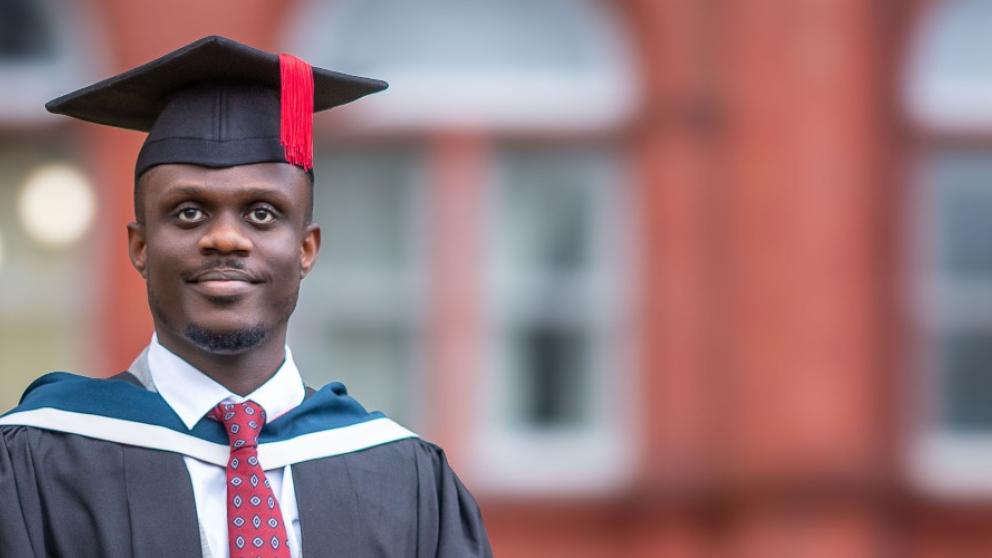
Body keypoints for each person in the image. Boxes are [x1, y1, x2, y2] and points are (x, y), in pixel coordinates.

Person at [0, 36, 493, 558]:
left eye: (262, 213)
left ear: (306, 248)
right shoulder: (39, 460)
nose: (225, 238)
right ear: (140, 247)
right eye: (188, 212)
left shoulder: (405, 479)